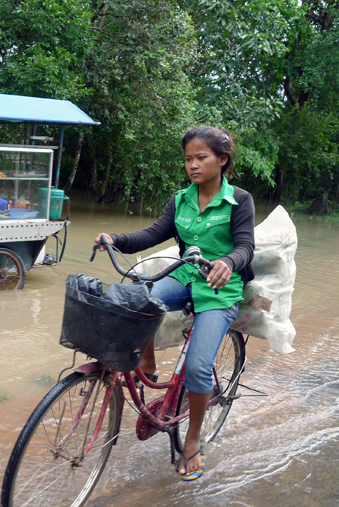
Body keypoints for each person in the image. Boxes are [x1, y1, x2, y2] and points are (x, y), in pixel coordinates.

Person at [95, 126, 255, 481]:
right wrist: (115, 239)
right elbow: (153, 234)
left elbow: (246, 246)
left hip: (219, 289)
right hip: (185, 276)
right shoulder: (180, 199)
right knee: (139, 297)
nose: (193, 165)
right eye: (188, 159)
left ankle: (194, 441)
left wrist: (228, 263)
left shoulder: (239, 200)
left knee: (199, 368)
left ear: (222, 160)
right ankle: (148, 363)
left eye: (201, 158)